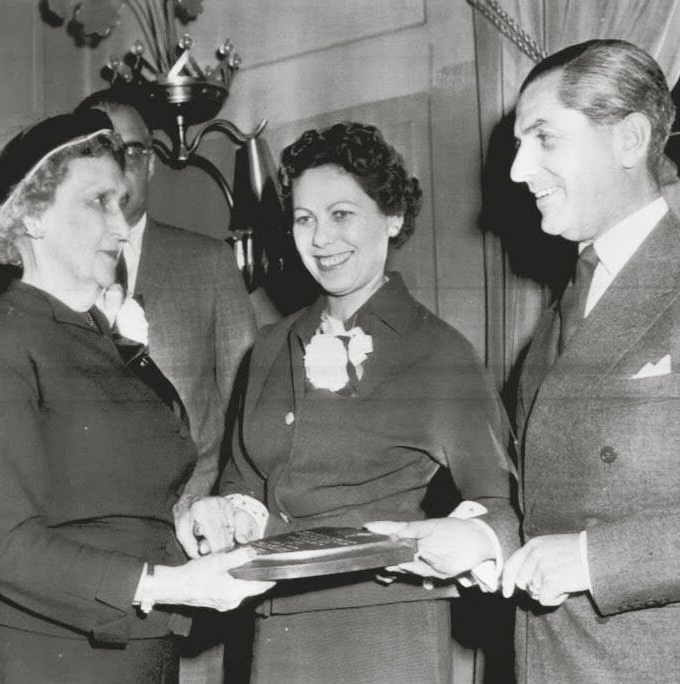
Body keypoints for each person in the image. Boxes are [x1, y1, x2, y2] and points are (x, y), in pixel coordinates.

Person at [0, 110, 273, 684]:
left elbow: (122, 499)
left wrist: (191, 521)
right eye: (98, 202)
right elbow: (0, 543)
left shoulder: (106, 342)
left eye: (121, 203)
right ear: (32, 214)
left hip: (139, 650)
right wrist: (167, 584)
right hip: (42, 657)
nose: (122, 228)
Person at [191, 121, 520, 683]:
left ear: (391, 218)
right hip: (273, 622)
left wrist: (470, 538)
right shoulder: (270, 346)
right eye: (304, 218)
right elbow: (244, 478)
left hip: (386, 627)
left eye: (342, 214)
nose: (320, 239)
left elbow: (502, 501)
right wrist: (228, 513)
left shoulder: (439, 351)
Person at [499, 40, 680, 683]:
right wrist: (486, 536)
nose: (517, 170)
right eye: (518, 143)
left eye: (543, 138)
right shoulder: (559, 313)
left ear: (629, 140)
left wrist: (595, 561)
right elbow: (550, 508)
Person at [75, 89, 258, 558]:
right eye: (99, 148)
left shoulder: (208, 263)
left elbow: (247, 404)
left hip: (195, 534)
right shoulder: (50, 278)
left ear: (152, 163)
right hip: (87, 540)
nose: (117, 164)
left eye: (132, 150)